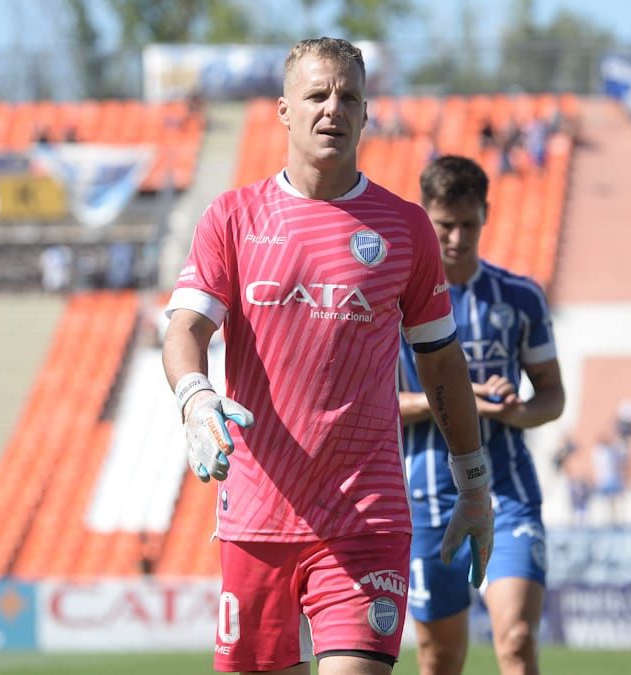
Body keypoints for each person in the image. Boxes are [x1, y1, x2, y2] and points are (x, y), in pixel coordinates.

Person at [162, 38, 492, 675]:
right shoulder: (231, 218)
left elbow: (442, 362)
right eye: (316, 95)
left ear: (366, 115)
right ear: (284, 110)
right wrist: (195, 397)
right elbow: (184, 330)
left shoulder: (404, 227)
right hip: (256, 519)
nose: (332, 109)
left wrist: (473, 483)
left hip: (365, 518)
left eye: (349, 97)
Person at [397, 156, 565, 675]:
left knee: (515, 642)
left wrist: (515, 411)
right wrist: (455, 398)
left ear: (486, 215)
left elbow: (552, 397)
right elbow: (376, 404)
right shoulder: (393, 300)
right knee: (440, 658)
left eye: (468, 223)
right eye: (445, 225)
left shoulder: (519, 297)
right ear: (425, 218)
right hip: (427, 500)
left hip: (506, 492)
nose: (456, 237)